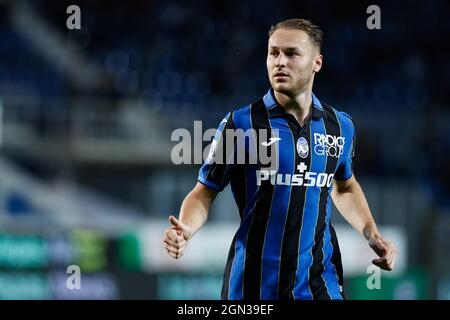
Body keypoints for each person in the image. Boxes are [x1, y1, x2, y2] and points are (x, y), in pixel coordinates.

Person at [163, 18, 397, 300]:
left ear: (317, 63)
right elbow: (204, 191)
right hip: (253, 284)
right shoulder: (241, 124)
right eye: (273, 53)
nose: (279, 62)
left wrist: (372, 233)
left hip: (320, 282)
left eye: (291, 54)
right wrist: (186, 229)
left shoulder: (341, 127)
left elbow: (344, 186)